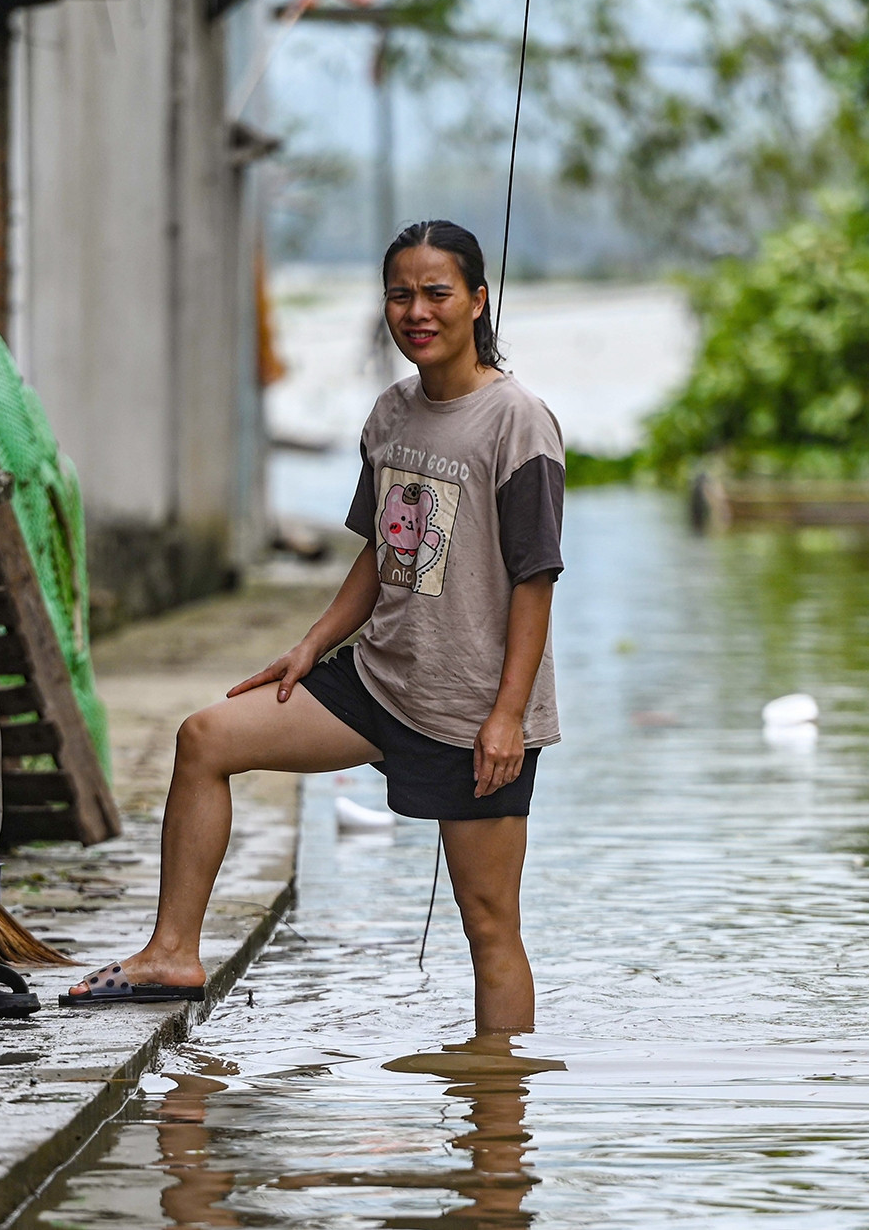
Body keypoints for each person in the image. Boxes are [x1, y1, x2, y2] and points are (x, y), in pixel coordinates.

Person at [67, 220, 565, 1031]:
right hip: (375, 679)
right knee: (205, 738)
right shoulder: (391, 412)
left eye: (437, 292)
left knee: (489, 928)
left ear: (478, 300)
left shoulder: (518, 423)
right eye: (399, 294)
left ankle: (498, 1134)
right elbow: (380, 554)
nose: (417, 311)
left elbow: (534, 577)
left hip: (472, 711)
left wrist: (507, 714)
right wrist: (311, 644)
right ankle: (172, 951)